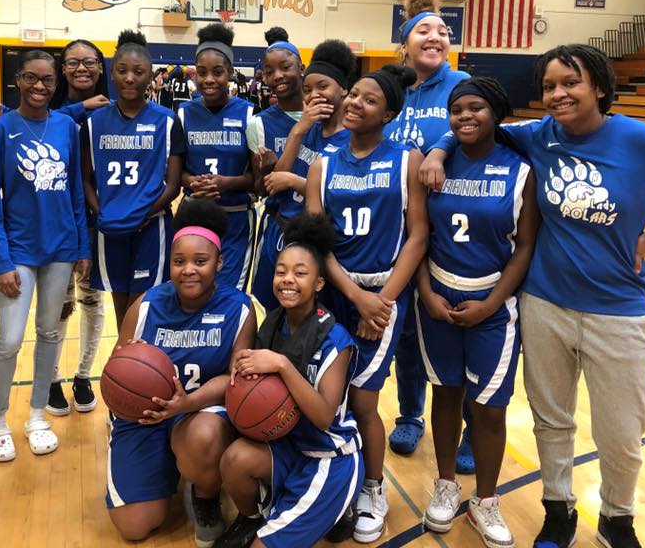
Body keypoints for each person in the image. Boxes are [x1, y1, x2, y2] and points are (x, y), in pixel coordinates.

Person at [419, 44, 645, 548]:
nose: (558, 95)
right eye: (549, 86)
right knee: (552, 422)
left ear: (600, 88)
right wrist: (437, 151)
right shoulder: (538, 135)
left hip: (618, 310)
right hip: (545, 304)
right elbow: (472, 122)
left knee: (621, 432)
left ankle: (617, 518)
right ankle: (558, 510)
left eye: (571, 83)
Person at [305, 64, 429, 543]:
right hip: (335, 290)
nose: (355, 103)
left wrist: (382, 300)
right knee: (326, 395)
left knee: (362, 400)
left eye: (369, 99)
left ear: (390, 114)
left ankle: (373, 489)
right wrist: (354, 295)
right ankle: (331, 478)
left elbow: (418, 236)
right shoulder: (322, 164)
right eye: (353, 94)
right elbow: (317, 241)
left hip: (384, 292)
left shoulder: (407, 160)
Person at [415, 77, 537, 548]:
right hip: (437, 298)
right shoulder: (434, 167)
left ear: (496, 113)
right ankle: (446, 485)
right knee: (445, 395)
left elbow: (524, 247)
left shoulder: (520, 170)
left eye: (476, 108)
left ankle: (485, 500)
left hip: (493, 303)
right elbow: (418, 235)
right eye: (457, 109)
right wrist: (426, 292)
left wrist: (491, 303)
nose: (465, 116)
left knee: (489, 408)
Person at [107, 199, 256, 547]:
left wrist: (186, 403)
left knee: (204, 436)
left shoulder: (239, 309)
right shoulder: (145, 306)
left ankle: (205, 495)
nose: (189, 270)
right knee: (134, 527)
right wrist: (126, 374)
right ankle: (168, 463)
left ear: (219, 263)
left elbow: (234, 379)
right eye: (179, 262)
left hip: (199, 412)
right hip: (145, 415)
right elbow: (114, 373)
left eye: (200, 261)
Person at [215, 213, 363, 548]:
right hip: (289, 446)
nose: (287, 280)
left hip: (329, 458)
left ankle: (337, 507)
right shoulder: (272, 323)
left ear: (319, 283)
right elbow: (256, 389)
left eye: (300, 273)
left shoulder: (334, 339)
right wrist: (243, 368)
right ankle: (252, 518)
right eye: (281, 271)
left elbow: (324, 416)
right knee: (234, 459)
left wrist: (281, 364)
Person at [0, 50, 91, 462]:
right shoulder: (0, 129)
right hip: (19, 250)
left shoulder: (66, 127)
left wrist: (81, 246)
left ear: (55, 83)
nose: (39, 86)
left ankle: (37, 415)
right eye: (31, 78)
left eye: (47, 80)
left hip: (60, 247)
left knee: (49, 333)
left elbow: (75, 192)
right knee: (9, 340)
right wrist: (3, 261)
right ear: (18, 80)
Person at [384, 0, 474, 463]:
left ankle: (472, 428)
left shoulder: (461, 83)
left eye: (442, 31)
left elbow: (477, 127)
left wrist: (440, 149)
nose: (435, 37)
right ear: (405, 44)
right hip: (402, 229)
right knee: (407, 332)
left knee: (458, 330)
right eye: (423, 31)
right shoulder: (396, 90)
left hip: (454, 228)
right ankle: (410, 415)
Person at [85, 30, 184, 329]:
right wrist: (102, 213)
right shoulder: (94, 122)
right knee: (121, 304)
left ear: (151, 77)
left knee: (142, 305)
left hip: (151, 226)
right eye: (122, 70)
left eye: (138, 72)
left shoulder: (167, 121)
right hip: (110, 227)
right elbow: (85, 180)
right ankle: (126, 357)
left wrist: (142, 214)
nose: (130, 78)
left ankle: (133, 356)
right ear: (111, 74)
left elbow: (173, 184)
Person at [253, 39, 354, 311]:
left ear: (343, 89)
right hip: (280, 228)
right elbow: (276, 180)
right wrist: (298, 130)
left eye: (323, 87)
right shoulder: (308, 128)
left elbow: (340, 192)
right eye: (308, 90)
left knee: (308, 314)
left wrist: (294, 181)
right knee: (271, 310)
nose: (314, 95)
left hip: (315, 237)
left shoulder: (351, 138)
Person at [47, 39, 110, 416]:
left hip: (98, 217)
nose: (81, 68)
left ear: (101, 67)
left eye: (89, 62)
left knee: (92, 300)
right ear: (63, 69)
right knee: (59, 305)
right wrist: (80, 109)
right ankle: (51, 377)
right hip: (57, 220)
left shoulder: (113, 112)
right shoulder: (49, 111)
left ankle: (84, 375)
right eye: (73, 62)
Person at [180, 24, 256, 291]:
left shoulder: (249, 114)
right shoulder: (183, 114)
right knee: (194, 291)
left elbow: (256, 179)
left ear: (231, 73)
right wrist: (192, 182)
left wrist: (225, 183)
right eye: (202, 72)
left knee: (227, 295)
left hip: (235, 218)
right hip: (194, 213)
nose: (209, 79)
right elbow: (176, 172)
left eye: (217, 72)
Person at [247, 27, 305, 310]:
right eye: (269, 72)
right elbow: (259, 189)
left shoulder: (327, 115)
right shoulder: (258, 124)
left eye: (285, 67)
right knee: (274, 309)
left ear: (301, 68)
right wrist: (265, 173)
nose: (277, 76)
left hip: (319, 226)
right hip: (279, 226)